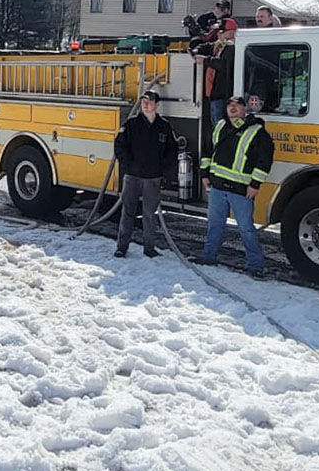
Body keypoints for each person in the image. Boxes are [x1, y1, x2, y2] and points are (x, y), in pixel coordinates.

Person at [193, 94, 274, 280]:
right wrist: (204, 175)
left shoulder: (256, 132)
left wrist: (255, 185)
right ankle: (209, 257)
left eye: (238, 105)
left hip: (241, 190)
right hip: (218, 187)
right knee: (215, 225)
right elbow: (206, 151)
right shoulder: (220, 126)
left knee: (246, 229)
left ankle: (255, 266)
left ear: (246, 109)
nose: (233, 107)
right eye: (230, 104)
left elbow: (264, 162)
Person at [113, 90, 178, 258]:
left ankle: (149, 249)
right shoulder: (131, 125)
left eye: (149, 102)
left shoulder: (164, 126)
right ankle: (121, 247)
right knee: (128, 212)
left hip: (153, 179)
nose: (146, 104)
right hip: (132, 177)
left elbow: (172, 150)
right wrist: (128, 166)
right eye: (143, 101)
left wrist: (163, 170)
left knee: (149, 215)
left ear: (157, 105)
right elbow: (119, 146)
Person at [194, 18, 237, 124]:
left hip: (222, 96)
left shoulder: (232, 47)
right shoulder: (220, 44)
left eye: (221, 31)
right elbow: (208, 46)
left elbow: (224, 64)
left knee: (219, 126)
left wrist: (205, 60)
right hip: (214, 95)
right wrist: (197, 50)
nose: (218, 34)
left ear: (232, 32)